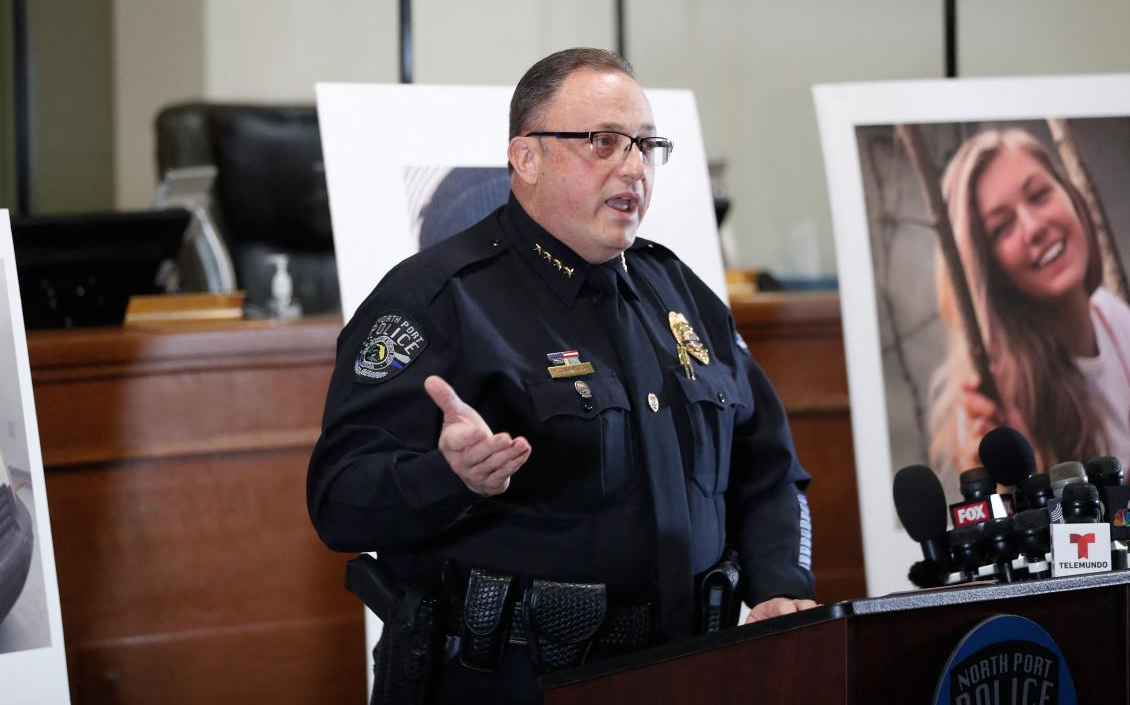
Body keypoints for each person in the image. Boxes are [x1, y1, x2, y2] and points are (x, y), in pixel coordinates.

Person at [307, 48, 816, 703]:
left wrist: (779, 585)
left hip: (686, 667)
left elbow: (769, 468)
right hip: (507, 682)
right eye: (603, 142)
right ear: (526, 158)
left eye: (646, 145)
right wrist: (448, 478)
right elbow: (338, 501)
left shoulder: (681, 295)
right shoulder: (436, 300)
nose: (633, 166)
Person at [929, 127, 1130, 477]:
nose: (1034, 227)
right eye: (1002, 227)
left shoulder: (1115, 317)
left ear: (1070, 195)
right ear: (988, 270)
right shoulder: (994, 404)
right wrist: (1014, 476)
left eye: (1039, 195)